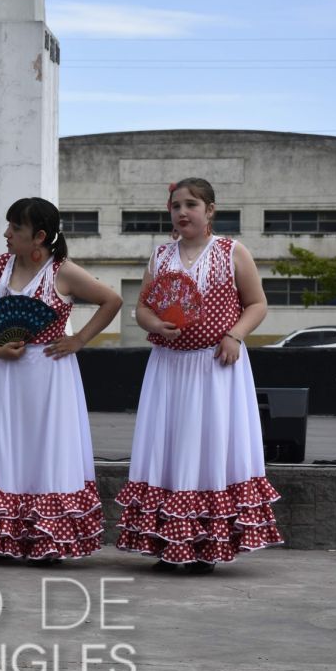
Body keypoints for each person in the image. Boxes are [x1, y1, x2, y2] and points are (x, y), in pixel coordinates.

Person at [115, 178, 283, 573]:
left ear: (210, 210)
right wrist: (156, 322)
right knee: (169, 449)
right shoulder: (160, 256)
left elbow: (257, 303)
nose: (182, 212)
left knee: (207, 450)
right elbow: (140, 309)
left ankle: (205, 546)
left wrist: (235, 335)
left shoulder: (231, 252)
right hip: (169, 367)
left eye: (191, 204)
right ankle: (167, 543)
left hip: (215, 367)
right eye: (175, 206)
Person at [0, 197, 122, 564]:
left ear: (39, 236)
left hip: (49, 371)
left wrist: (79, 339)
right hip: (3, 371)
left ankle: (48, 537)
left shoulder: (63, 271)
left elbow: (112, 300)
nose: (7, 234)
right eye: (8, 226)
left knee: (46, 448)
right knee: (2, 445)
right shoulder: (0, 267)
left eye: (16, 228)